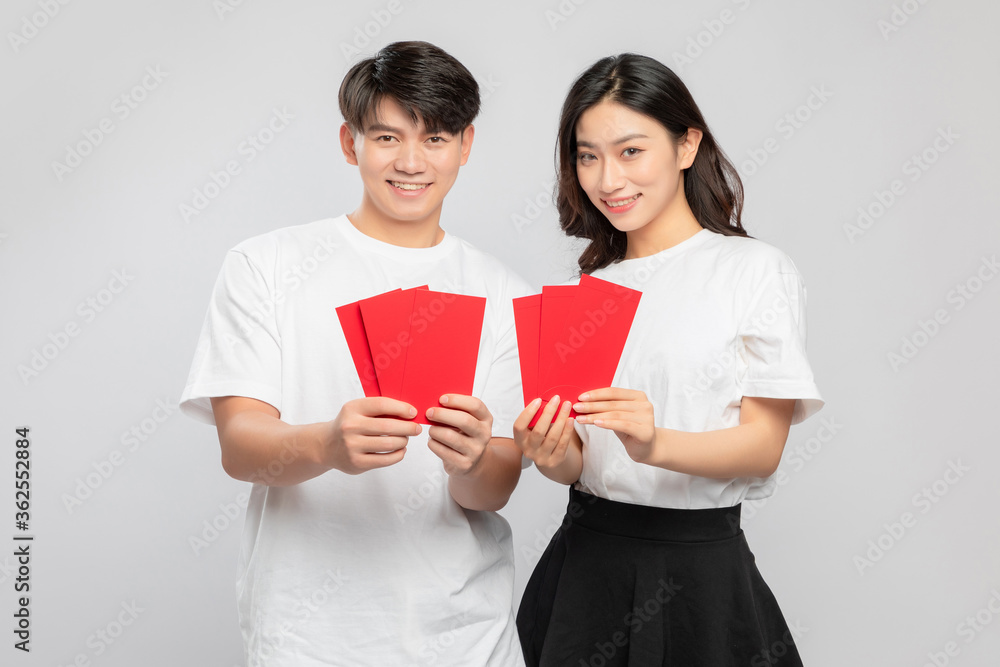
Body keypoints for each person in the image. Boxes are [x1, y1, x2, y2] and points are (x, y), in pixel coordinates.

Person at [179, 41, 529, 666]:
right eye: (388, 137)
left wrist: (472, 459)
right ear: (351, 144)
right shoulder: (266, 265)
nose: (412, 162)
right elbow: (240, 448)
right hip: (308, 637)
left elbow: (492, 489)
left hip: (467, 635)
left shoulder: (504, 291)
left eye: (437, 138)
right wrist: (327, 445)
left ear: (466, 146)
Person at [513, 53, 824, 666]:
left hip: (700, 575)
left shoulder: (754, 271)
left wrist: (655, 442)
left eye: (631, 151)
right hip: (583, 569)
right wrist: (554, 455)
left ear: (687, 145)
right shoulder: (586, 289)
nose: (607, 179)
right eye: (587, 155)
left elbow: (763, 446)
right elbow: (584, 463)